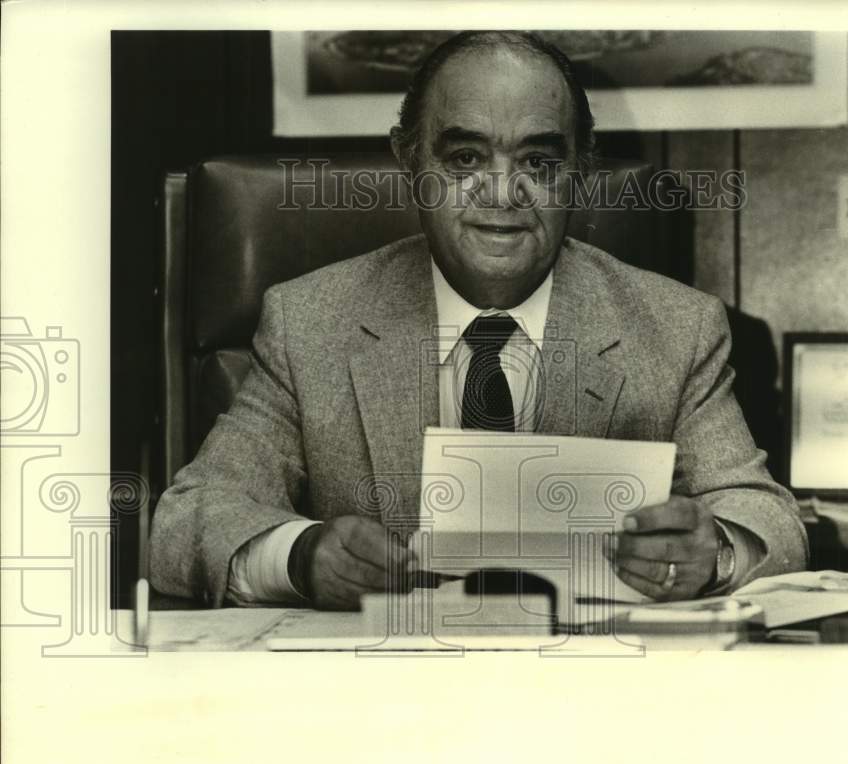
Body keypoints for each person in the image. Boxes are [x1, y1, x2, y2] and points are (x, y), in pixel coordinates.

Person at [150, 31, 806, 610]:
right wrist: (303, 558)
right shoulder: (309, 322)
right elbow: (185, 522)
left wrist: (712, 551)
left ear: (579, 171)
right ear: (409, 161)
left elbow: (769, 519)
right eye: (465, 159)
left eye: (538, 162)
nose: (500, 191)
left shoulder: (676, 327)